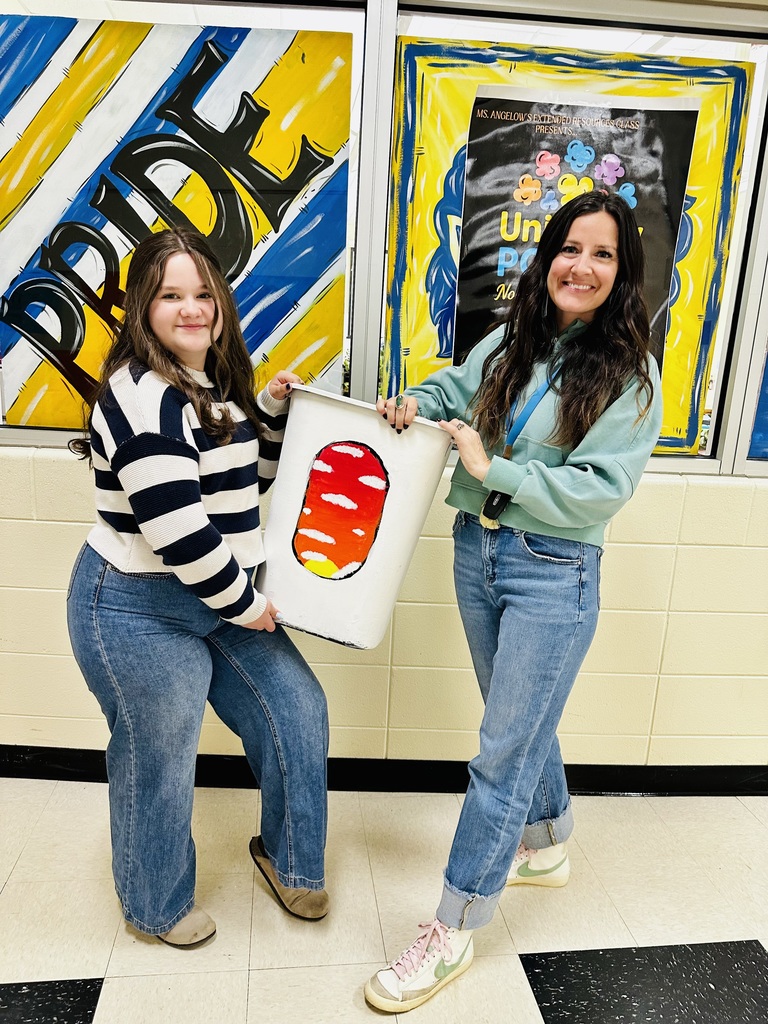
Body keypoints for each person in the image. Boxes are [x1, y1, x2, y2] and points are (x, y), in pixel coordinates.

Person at [367, 190, 663, 1011]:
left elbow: (599, 490)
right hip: (480, 551)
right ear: (548, 255)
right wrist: (418, 405)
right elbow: (455, 391)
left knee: (501, 750)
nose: (583, 266)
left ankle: (452, 927)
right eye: (571, 247)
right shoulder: (514, 340)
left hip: (553, 569)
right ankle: (551, 842)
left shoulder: (632, 380)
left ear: (622, 274)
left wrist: (494, 470)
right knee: (519, 718)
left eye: (604, 255)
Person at [67, 228, 329, 948]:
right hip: (136, 605)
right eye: (170, 295)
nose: (191, 309)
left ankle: (292, 862)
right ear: (141, 308)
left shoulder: (213, 377)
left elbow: (247, 488)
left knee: (298, 710)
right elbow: (180, 536)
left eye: (202, 294)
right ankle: (154, 906)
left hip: (213, 591)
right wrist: (250, 606)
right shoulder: (141, 396)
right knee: (161, 749)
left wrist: (270, 414)